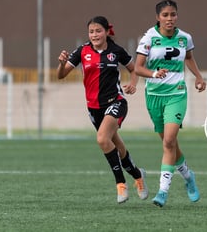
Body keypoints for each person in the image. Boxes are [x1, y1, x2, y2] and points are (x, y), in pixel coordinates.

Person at [57, 16, 148, 203]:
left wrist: (132, 84)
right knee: (117, 147)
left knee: (102, 139)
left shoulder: (116, 51)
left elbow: (134, 69)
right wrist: (61, 63)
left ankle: (120, 184)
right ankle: (139, 176)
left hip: (116, 102)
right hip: (94, 109)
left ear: (107, 32)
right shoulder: (82, 51)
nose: (95, 35)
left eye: (98, 31)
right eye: (91, 31)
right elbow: (61, 75)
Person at [134, 0, 206, 207]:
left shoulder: (185, 38)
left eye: (173, 14)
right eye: (165, 15)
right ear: (158, 17)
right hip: (154, 96)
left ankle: (162, 192)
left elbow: (189, 58)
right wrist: (154, 73)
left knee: (168, 141)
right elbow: (138, 68)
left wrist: (199, 77)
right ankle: (188, 177)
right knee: (170, 143)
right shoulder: (149, 38)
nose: (169, 19)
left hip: (177, 94)